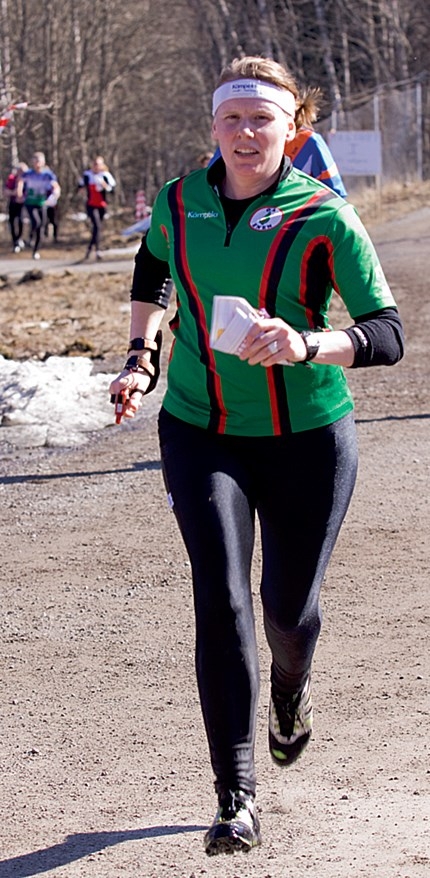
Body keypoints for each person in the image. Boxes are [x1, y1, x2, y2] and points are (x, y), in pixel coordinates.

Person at [109, 55, 404, 857]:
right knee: (222, 601)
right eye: (231, 119)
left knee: (288, 611)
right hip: (200, 429)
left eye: (262, 120)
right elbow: (152, 269)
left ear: (293, 130)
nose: (245, 133)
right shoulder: (179, 201)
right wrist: (141, 356)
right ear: (214, 126)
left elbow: (387, 332)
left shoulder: (325, 216)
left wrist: (307, 342)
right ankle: (235, 795)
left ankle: (291, 686)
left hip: (308, 437)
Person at [210, 71, 346, 197]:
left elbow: (335, 195)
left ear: (289, 126)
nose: (245, 131)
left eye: (261, 117)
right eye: (233, 117)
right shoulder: (231, 148)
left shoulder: (309, 143)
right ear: (215, 127)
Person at [19, 152, 60, 259]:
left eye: (39, 160)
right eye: (35, 160)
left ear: (43, 162)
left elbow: (56, 186)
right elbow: (20, 182)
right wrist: (19, 193)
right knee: (36, 222)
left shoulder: (48, 174)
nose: (37, 163)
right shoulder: (29, 173)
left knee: (41, 226)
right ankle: (30, 237)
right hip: (30, 202)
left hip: (42, 203)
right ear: (32, 162)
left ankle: (36, 250)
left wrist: (55, 195)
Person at [78, 156, 116, 261]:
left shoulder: (105, 175)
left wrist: (105, 186)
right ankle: (97, 250)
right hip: (91, 204)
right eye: (94, 164)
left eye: (98, 164)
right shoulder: (87, 175)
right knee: (97, 226)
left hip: (102, 205)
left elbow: (112, 190)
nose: (96, 167)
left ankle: (91, 249)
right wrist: (81, 190)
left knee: (97, 229)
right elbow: (80, 186)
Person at [3, 162, 27, 252]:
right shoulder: (11, 179)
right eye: (19, 170)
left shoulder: (27, 180)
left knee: (21, 220)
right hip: (13, 203)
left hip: (23, 204)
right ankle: (15, 242)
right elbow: (6, 191)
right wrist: (13, 192)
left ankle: (20, 238)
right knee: (12, 222)